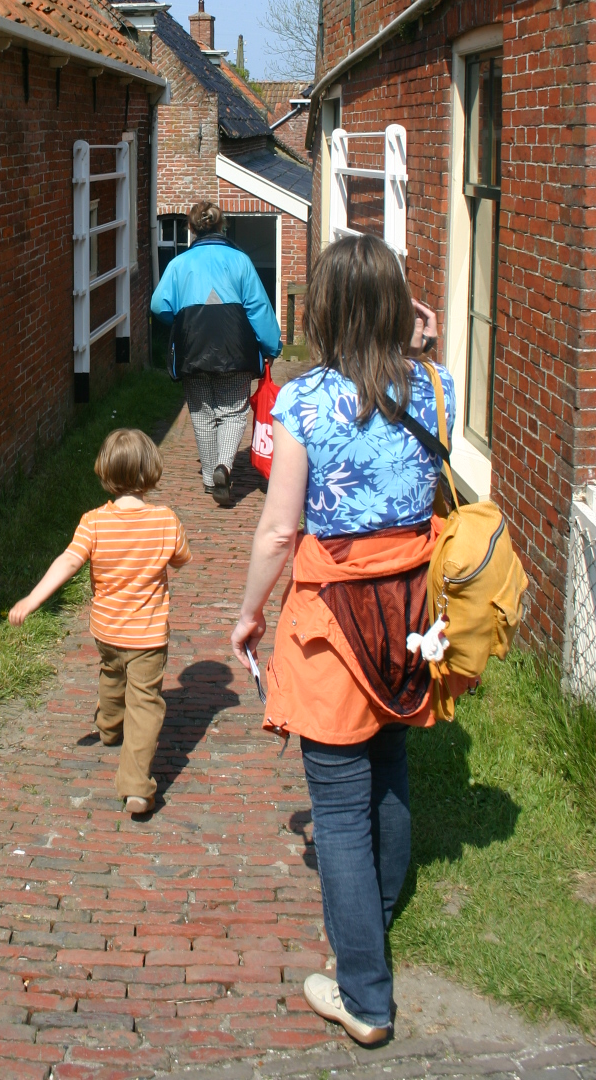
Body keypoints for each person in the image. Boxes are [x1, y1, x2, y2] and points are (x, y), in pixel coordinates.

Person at [230, 234, 455, 1048]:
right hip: (412, 605)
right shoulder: (436, 385)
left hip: (337, 611)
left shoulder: (303, 402)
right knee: (389, 762)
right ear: (399, 306)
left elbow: (278, 529)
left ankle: (364, 994)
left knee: (337, 803)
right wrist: (422, 342)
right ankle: (377, 916)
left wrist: (250, 613)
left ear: (322, 310)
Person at [9, 428, 191, 816]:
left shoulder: (93, 522)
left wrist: (33, 598)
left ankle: (109, 725)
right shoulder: (165, 520)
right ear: (151, 470)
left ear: (105, 471)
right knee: (145, 703)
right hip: (148, 635)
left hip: (106, 629)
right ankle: (136, 787)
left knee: (112, 672)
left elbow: (68, 561)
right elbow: (180, 558)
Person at [151, 201, 281, 504]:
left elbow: (158, 305)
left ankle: (211, 479)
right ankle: (224, 465)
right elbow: (258, 309)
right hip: (235, 349)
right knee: (233, 412)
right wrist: (271, 346)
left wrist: (180, 321)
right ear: (222, 226)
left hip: (192, 348)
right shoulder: (241, 261)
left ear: (191, 228)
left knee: (201, 412)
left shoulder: (179, 264)